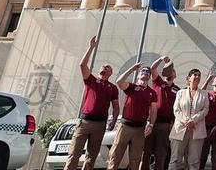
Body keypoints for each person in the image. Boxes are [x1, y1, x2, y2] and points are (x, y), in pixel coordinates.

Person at [65, 36, 120, 170]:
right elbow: (82, 65)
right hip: (85, 123)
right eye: (103, 66)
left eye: (107, 67)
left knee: (91, 157)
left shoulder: (112, 88)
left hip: (100, 124)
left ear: (110, 73)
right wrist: (91, 48)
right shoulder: (91, 80)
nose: (104, 68)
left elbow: (116, 106)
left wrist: (112, 121)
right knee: (74, 154)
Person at [107, 63, 158, 170]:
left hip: (140, 129)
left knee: (136, 159)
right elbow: (119, 82)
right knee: (115, 156)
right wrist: (131, 69)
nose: (146, 73)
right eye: (143, 71)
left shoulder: (152, 93)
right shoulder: (132, 87)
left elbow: (153, 111)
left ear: (150, 76)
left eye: (148, 72)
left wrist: (151, 125)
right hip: (125, 126)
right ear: (139, 74)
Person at [143, 56, 179, 170]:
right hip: (151, 121)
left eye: (172, 70)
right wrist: (161, 59)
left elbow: (176, 108)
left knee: (161, 152)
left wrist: (172, 122)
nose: (170, 71)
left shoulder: (177, 90)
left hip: (165, 124)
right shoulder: (158, 81)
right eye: (168, 69)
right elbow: (152, 68)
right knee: (146, 151)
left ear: (175, 75)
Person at [171, 68, 209, 170]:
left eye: (199, 75)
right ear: (188, 78)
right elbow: (176, 110)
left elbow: (205, 110)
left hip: (197, 130)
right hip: (180, 129)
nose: (197, 77)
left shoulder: (204, 94)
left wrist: (194, 120)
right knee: (175, 159)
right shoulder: (180, 93)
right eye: (195, 75)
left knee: (194, 161)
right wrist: (186, 121)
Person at [200, 72, 216, 170]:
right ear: (213, 82)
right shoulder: (208, 94)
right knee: (202, 155)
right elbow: (199, 93)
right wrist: (208, 79)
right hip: (205, 128)